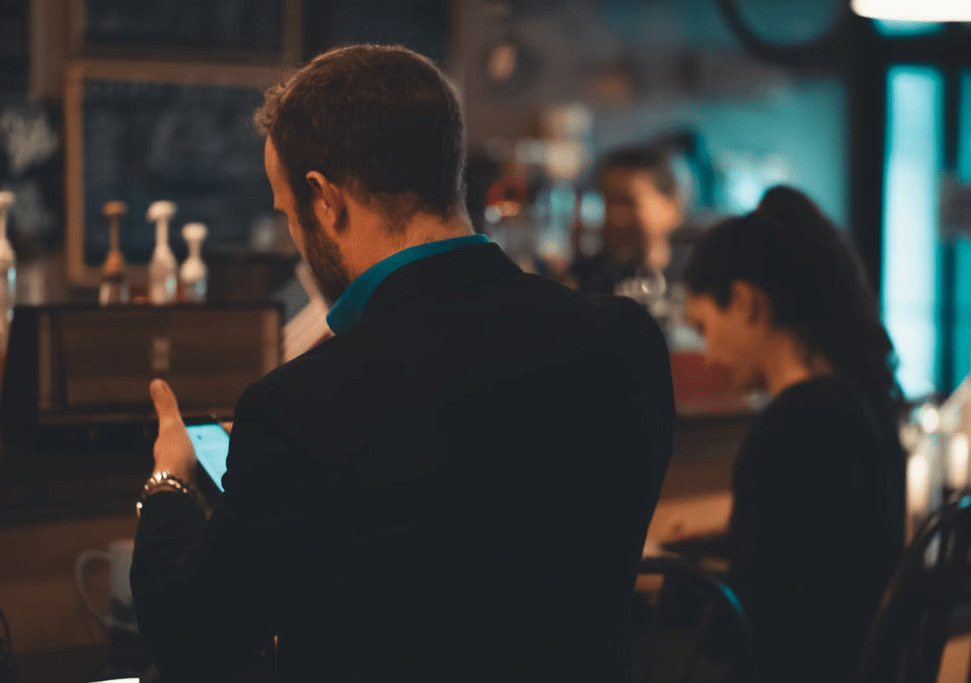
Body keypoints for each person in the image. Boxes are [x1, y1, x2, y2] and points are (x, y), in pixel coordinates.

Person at [131, 44, 675, 683]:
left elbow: (193, 640)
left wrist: (168, 482)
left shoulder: (303, 406)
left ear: (325, 201)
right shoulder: (625, 343)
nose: (296, 238)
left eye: (288, 216)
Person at [682, 185, 907, 683]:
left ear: (744, 302)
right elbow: (823, 557)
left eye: (703, 326)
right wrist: (727, 539)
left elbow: (758, 618)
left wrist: (671, 585)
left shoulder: (793, 426)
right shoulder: (864, 403)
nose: (707, 355)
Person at [571, 143, 697, 296]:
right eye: (608, 202)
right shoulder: (591, 278)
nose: (615, 215)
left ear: (672, 204)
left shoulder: (701, 273)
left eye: (627, 203)